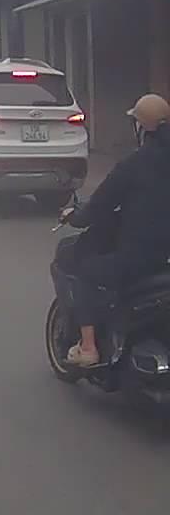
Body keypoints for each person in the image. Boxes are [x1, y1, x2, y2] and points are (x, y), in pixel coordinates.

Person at [60, 93, 170, 367]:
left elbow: (99, 205)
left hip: (144, 259)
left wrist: (75, 216)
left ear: (141, 127)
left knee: (86, 272)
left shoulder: (135, 164)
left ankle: (88, 348)